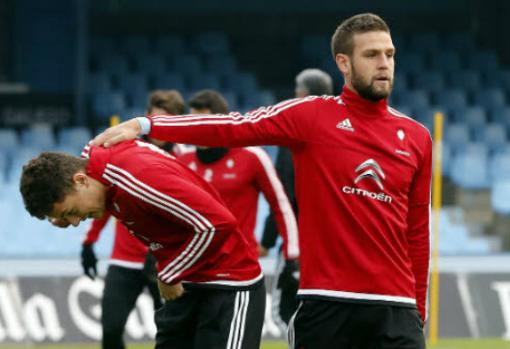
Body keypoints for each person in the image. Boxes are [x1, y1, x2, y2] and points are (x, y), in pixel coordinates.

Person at [92, 13, 431, 349]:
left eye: (389, 54)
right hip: (327, 304)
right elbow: (236, 126)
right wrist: (148, 126)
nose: (384, 63)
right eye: (371, 55)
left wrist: (418, 306)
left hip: (396, 310)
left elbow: (417, 229)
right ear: (344, 63)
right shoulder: (311, 116)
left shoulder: (417, 138)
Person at [20, 140, 265, 349]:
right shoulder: (94, 166)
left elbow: (216, 224)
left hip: (227, 283)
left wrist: (170, 273)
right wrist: (63, 215)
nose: (74, 222)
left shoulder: (138, 177)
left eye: (72, 212)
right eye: (66, 217)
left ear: (81, 181)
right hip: (185, 286)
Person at [80, 90, 186, 349]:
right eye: (155, 117)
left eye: (166, 119)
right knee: (111, 329)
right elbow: (104, 198)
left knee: (174, 332)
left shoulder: (183, 157)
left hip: (163, 263)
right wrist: (89, 242)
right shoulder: (127, 148)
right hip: (124, 260)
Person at [179, 89, 298, 260]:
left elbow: (281, 205)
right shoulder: (182, 161)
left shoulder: (253, 157)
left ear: (221, 123)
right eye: (193, 122)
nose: (198, 129)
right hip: (195, 265)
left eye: (204, 122)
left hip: (240, 264)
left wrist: (292, 251)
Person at [260, 68, 333, 331]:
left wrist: (267, 240)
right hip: (336, 243)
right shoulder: (341, 134)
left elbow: (282, 196)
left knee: (286, 313)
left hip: (300, 242)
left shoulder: (292, 135)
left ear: (303, 93)